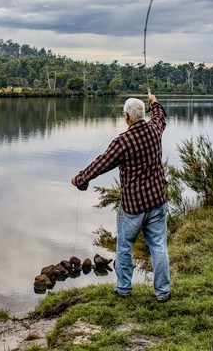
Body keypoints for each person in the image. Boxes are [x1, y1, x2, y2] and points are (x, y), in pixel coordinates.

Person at [71, 92, 170, 302]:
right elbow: (160, 117)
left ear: (126, 117)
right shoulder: (154, 130)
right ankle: (162, 292)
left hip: (133, 207)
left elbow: (101, 163)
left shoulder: (123, 142)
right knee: (159, 247)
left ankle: (124, 289)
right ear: (142, 115)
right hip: (157, 201)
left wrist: (81, 180)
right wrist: (155, 102)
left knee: (125, 247)